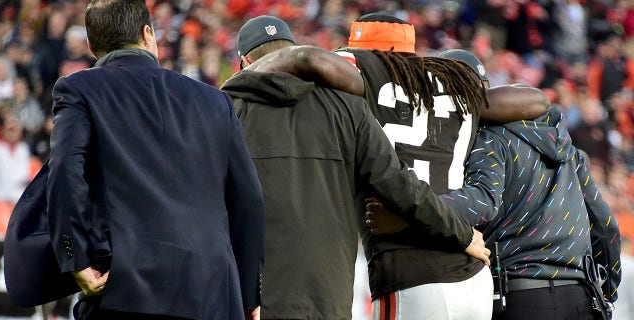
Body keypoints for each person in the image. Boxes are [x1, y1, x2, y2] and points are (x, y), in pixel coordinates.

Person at [246, 13, 549, 320]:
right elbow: (536, 100)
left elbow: (308, 57)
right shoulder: (446, 81)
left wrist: (242, 79)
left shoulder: (365, 76)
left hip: (410, 270)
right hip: (472, 277)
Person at [46, 1, 265, 319]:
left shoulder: (79, 89)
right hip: (213, 292)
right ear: (148, 34)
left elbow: (66, 170)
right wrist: (247, 298)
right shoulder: (215, 101)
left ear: (93, 46)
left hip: (126, 290)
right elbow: (249, 199)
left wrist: (77, 258)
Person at [367, 104, 622, 319]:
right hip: (581, 297)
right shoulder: (569, 151)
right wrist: (607, 294)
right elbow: (604, 226)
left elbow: (480, 203)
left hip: (521, 296)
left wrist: (408, 211)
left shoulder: (491, 139)